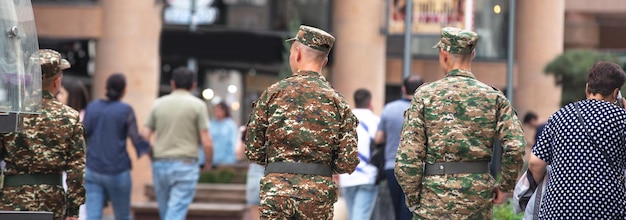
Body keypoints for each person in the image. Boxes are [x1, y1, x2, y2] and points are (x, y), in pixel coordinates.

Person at [395, 27, 525, 219]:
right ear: (472, 54)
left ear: (443, 54)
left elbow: (408, 156)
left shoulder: (425, 96)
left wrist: (414, 198)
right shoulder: (493, 97)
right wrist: (505, 186)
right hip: (478, 199)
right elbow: (515, 147)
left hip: (434, 197)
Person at [245, 25, 359, 220]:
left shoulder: (272, 94)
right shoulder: (338, 102)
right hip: (317, 195)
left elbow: (253, 150)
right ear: (325, 61)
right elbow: (347, 162)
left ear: (297, 53)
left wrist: (278, 163)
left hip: (277, 192)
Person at [529, 61, 626, 219]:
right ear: (616, 93)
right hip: (607, 209)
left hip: (558, 210)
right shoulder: (622, 119)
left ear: (587, 88)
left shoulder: (560, 116)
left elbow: (535, 163)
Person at [0, 49, 85, 220]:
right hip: (51, 200)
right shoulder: (70, 117)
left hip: (12, 199)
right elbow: (76, 169)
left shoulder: (9, 113)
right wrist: (73, 210)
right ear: (57, 82)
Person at [142, 66, 214, 220]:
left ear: (172, 83)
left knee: (166, 211)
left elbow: (145, 137)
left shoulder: (158, 104)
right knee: (175, 212)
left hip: (160, 162)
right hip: (186, 164)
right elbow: (206, 141)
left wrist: (151, 155)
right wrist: (208, 162)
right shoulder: (198, 105)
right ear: (193, 85)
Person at [83, 73, 150, 220]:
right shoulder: (125, 110)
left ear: (106, 88)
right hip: (118, 169)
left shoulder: (93, 107)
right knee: (123, 215)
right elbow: (135, 138)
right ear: (124, 90)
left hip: (93, 168)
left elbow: (84, 133)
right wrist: (148, 148)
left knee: (93, 216)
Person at [374, 75, 423, 220]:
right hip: (418, 168)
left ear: (403, 89)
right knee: (411, 211)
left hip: (392, 166)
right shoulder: (423, 108)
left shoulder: (389, 109)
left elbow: (378, 138)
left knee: (397, 211)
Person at [338, 88, 380, 220]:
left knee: (354, 216)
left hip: (347, 177)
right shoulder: (376, 121)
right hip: (368, 176)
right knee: (360, 217)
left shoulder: (345, 120)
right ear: (370, 103)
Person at [210, 101, 238, 166]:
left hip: (227, 161)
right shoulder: (211, 124)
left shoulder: (230, 125)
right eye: (215, 110)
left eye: (219, 110)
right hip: (212, 160)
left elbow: (233, 142)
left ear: (224, 110)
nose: (216, 111)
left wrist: (232, 158)